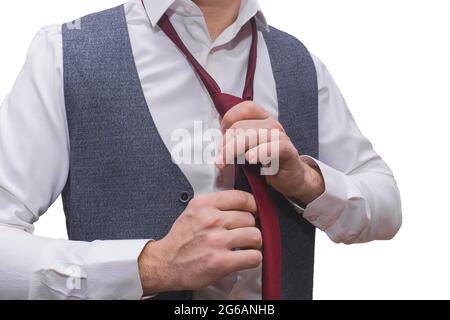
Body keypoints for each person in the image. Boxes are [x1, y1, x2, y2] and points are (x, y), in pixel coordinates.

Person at [0, 0, 401, 300]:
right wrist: (147, 267)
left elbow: (386, 205)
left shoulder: (300, 63)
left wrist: (308, 181)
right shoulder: (65, 54)